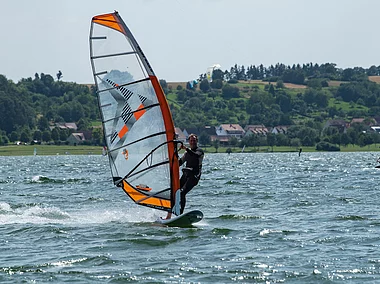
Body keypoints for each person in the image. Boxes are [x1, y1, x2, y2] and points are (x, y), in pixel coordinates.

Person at [165, 134, 204, 219]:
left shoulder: (199, 151)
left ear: (197, 141)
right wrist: (172, 158)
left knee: (182, 193)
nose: (192, 142)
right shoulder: (186, 154)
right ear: (189, 142)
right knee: (174, 192)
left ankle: (179, 215)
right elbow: (179, 163)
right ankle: (168, 215)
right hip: (185, 176)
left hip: (194, 177)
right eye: (191, 141)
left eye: (194, 140)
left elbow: (195, 155)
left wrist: (186, 148)